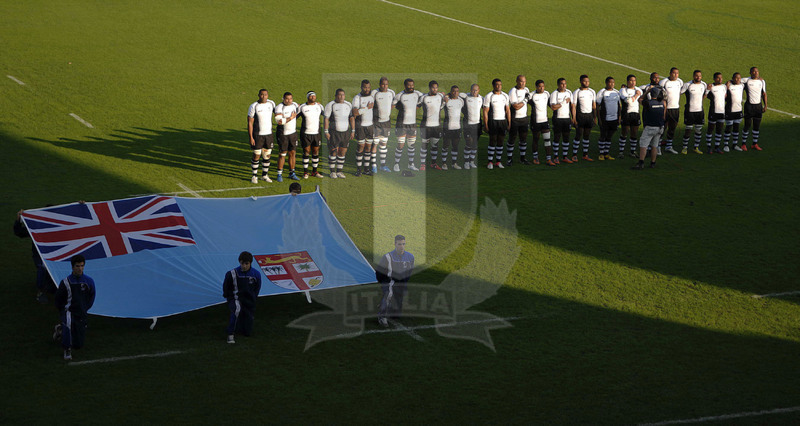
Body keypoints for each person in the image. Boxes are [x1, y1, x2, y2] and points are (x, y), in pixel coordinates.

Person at [53, 255, 96, 361]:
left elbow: (92, 296)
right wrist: (62, 311)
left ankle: (60, 329)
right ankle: (67, 350)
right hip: (69, 311)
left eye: (82, 266)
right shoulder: (66, 282)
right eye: (77, 266)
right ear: (72, 267)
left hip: (81, 311)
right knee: (68, 329)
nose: (80, 268)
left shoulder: (89, 281)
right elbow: (58, 298)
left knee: (78, 344)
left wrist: (85, 308)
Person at [14, 209, 56, 303]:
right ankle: (40, 292)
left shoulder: (61, 226)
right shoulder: (37, 227)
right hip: (41, 256)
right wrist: (18, 220)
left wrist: (82, 208)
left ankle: (52, 286)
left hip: (55, 255)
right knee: (42, 267)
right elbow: (19, 232)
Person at [222, 251, 262, 344]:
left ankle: (240, 327)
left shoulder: (256, 274)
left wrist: (253, 298)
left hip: (249, 300)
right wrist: (228, 297)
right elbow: (226, 286)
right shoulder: (232, 273)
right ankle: (230, 334)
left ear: (250, 263)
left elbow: (257, 288)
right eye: (242, 263)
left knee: (247, 331)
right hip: (236, 298)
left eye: (246, 263)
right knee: (237, 310)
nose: (244, 266)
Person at [376, 235, 415, 327]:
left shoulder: (410, 257)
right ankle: (382, 317)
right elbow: (379, 272)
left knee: (396, 313)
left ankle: (387, 307)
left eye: (403, 244)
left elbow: (410, 271)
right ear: (395, 244)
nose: (402, 246)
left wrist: (405, 281)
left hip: (402, 282)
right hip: (390, 281)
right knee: (388, 294)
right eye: (399, 244)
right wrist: (384, 282)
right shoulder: (387, 257)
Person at [392, 78, 424, 171]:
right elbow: (393, 105)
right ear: (405, 86)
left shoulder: (417, 94)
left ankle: (411, 164)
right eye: (409, 85)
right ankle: (396, 164)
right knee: (400, 145)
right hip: (401, 123)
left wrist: (417, 105)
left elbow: (425, 98)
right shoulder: (399, 95)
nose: (411, 87)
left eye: (412, 85)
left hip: (412, 124)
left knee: (411, 145)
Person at [632, 86, 666, 170]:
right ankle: (653, 163)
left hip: (650, 127)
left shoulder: (648, 103)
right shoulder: (662, 103)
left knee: (643, 145)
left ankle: (641, 162)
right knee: (655, 146)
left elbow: (639, 99)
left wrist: (647, 92)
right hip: (660, 127)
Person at [247, 89, 277, 183]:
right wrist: (251, 137)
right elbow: (250, 122)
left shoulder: (271, 104)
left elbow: (279, 112)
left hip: (268, 135)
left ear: (268, 95)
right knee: (257, 155)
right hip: (258, 135)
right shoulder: (253, 106)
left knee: (267, 155)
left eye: (266, 95)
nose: (264, 96)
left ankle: (264, 175)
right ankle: (254, 176)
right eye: (262, 95)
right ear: (258, 95)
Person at [324, 89, 355, 178]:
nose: (341, 97)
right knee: (333, 152)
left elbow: (351, 118)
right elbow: (326, 118)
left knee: (342, 152)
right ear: (336, 96)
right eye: (339, 95)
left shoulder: (348, 104)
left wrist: (353, 131)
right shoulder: (331, 105)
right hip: (334, 132)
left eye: (343, 95)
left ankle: (339, 171)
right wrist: (326, 131)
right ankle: (332, 172)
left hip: (345, 132)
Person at [483, 78, 511, 169]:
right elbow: (485, 111)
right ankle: (490, 162)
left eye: (500, 84)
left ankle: (498, 162)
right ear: (493, 85)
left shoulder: (505, 96)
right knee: (492, 140)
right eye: (497, 85)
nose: (499, 86)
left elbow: (507, 110)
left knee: (500, 141)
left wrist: (509, 122)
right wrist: (486, 124)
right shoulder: (489, 96)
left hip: (502, 121)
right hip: (493, 121)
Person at [297, 91, 325, 178]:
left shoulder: (319, 106)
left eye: (314, 96)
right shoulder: (302, 107)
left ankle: (315, 172)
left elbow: (326, 115)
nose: (313, 97)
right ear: (307, 97)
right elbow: (294, 117)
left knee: (316, 152)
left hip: (316, 133)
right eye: (311, 96)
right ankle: (305, 172)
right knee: (306, 152)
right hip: (306, 134)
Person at [274, 92, 301, 182]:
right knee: (282, 154)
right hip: (283, 134)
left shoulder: (294, 105)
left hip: (293, 133)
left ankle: (292, 173)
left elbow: (302, 106)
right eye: (287, 99)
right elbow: (280, 121)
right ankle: (279, 174)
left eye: (290, 99)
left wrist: (316, 104)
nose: (289, 101)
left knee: (292, 153)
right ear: (283, 99)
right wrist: (291, 117)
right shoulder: (279, 107)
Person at [419, 80, 445, 170]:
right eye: (433, 87)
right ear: (429, 88)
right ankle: (422, 164)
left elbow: (443, 101)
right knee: (424, 145)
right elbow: (416, 106)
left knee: (435, 145)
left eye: (436, 87)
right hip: (426, 126)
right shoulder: (423, 98)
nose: (435, 89)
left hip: (437, 126)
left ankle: (433, 163)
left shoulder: (440, 96)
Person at [352, 80, 376, 177]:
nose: (367, 89)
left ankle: (366, 169)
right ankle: (358, 170)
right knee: (360, 147)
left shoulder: (372, 96)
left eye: (368, 87)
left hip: (370, 126)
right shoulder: (357, 98)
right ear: (361, 87)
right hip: (360, 126)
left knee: (368, 147)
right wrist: (367, 108)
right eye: (365, 87)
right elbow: (355, 113)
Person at [371, 77, 396, 172]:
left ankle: (382, 165)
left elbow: (394, 102)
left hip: (386, 122)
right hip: (376, 123)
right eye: (383, 84)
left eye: (386, 84)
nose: (384, 86)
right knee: (375, 144)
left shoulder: (391, 93)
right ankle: (374, 165)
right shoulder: (374, 93)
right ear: (379, 84)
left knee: (383, 144)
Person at [680, 70, 707, 155]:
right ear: (693, 76)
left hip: (700, 111)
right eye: (696, 75)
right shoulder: (688, 85)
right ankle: (684, 147)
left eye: (699, 76)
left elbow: (705, 94)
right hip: (689, 111)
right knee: (688, 129)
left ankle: (696, 147)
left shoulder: (704, 84)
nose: (698, 77)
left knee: (698, 130)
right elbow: (679, 93)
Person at [571, 74, 597, 162]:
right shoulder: (576, 92)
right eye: (585, 81)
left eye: (588, 81)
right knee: (578, 135)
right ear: (581, 82)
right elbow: (573, 106)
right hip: (580, 116)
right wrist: (574, 118)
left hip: (589, 116)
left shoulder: (592, 92)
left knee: (587, 135)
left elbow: (594, 106)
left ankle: (585, 155)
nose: (587, 83)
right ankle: (574, 155)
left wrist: (595, 117)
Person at [507, 75, 531, 166]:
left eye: (524, 81)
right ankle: (509, 159)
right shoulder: (513, 91)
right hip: (515, 119)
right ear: (517, 81)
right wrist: (525, 100)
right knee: (512, 139)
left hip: (524, 118)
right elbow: (516, 107)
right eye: (521, 81)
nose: (523, 83)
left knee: (523, 139)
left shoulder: (526, 90)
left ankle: (522, 158)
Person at [741, 66, 767, 150]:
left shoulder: (762, 81)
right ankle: (743, 144)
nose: (756, 73)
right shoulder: (746, 80)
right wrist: (728, 82)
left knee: (756, 126)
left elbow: (764, 94)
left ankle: (754, 144)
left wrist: (765, 105)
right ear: (750, 73)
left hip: (758, 106)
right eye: (754, 72)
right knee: (747, 125)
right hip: (749, 106)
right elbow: (735, 79)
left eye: (757, 71)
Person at [659, 67, 684, 154]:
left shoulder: (680, 82)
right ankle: (658, 146)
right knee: (663, 127)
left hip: (675, 108)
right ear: (670, 73)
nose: (675, 75)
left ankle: (669, 146)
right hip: (666, 108)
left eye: (677, 73)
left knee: (672, 127)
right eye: (674, 73)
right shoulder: (664, 82)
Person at [528, 79, 553, 165]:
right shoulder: (532, 95)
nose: (541, 88)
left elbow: (551, 105)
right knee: (536, 139)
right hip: (535, 121)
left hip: (545, 121)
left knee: (547, 140)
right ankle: (535, 158)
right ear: (536, 87)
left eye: (543, 86)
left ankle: (548, 159)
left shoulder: (547, 94)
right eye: (539, 86)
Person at [596, 76, 621, 160]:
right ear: (606, 83)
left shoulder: (617, 92)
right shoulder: (602, 92)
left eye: (613, 82)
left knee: (609, 136)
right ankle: (601, 153)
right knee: (603, 135)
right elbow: (597, 106)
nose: (612, 84)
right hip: (605, 119)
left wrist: (619, 117)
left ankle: (606, 153)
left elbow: (619, 105)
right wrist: (599, 119)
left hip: (614, 119)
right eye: (610, 82)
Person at [550, 77, 573, 164]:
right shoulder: (554, 94)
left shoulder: (569, 92)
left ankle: (565, 156)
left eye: (565, 84)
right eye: (562, 84)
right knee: (557, 137)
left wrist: (573, 117)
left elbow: (572, 106)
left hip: (567, 119)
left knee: (566, 137)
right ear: (558, 85)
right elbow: (553, 107)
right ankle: (555, 157)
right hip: (557, 119)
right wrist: (563, 102)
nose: (564, 85)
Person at [618, 74, 643, 158]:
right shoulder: (623, 90)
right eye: (631, 81)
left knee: (634, 133)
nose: (633, 82)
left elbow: (641, 96)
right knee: (624, 132)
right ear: (627, 81)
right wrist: (636, 95)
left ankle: (632, 151)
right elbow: (628, 101)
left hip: (635, 114)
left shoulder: (638, 89)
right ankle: (621, 152)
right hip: (626, 114)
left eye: (634, 81)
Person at [442, 85, 465, 170]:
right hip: (447, 127)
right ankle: (444, 164)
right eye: (453, 91)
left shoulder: (461, 101)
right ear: (451, 92)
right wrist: (445, 97)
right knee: (446, 146)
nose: (455, 93)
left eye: (457, 91)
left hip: (457, 127)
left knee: (455, 146)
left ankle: (454, 163)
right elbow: (440, 108)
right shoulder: (446, 101)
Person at [461, 84, 483, 169]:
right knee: (468, 143)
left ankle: (472, 161)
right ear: (470, 90)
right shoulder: (466, 96)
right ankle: (466, 162)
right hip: (468, 124)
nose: (474, 92)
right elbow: (455, 93)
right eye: (473, 90)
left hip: (477, 124)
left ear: (479, 90)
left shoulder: (481, 98)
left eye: (476, 90)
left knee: (474, 144)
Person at [705, 72, 728, 154]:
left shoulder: (724, 87)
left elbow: (725, 97)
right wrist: (707, 90)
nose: (720, 79)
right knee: (710, 129)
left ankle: (717, 147)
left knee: (719, 130)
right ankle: (709, 147)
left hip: (722, 111)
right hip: (713, 111)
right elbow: (704, 97)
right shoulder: (711, 87)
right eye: (718, 78)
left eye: (721, 78)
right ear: (714, 79)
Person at [724, 72, 746, 151]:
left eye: (739, 78)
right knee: (729, 127)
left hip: (738, 110)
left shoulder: (742, 85)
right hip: (729, 110)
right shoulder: (728, 86)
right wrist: (729, 82)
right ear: (733, 78)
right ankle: (726, 145)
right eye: (736, 78)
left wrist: (760, 78)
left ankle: (735, 144)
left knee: (736, 127)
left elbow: (749, 79)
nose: (737, 79)